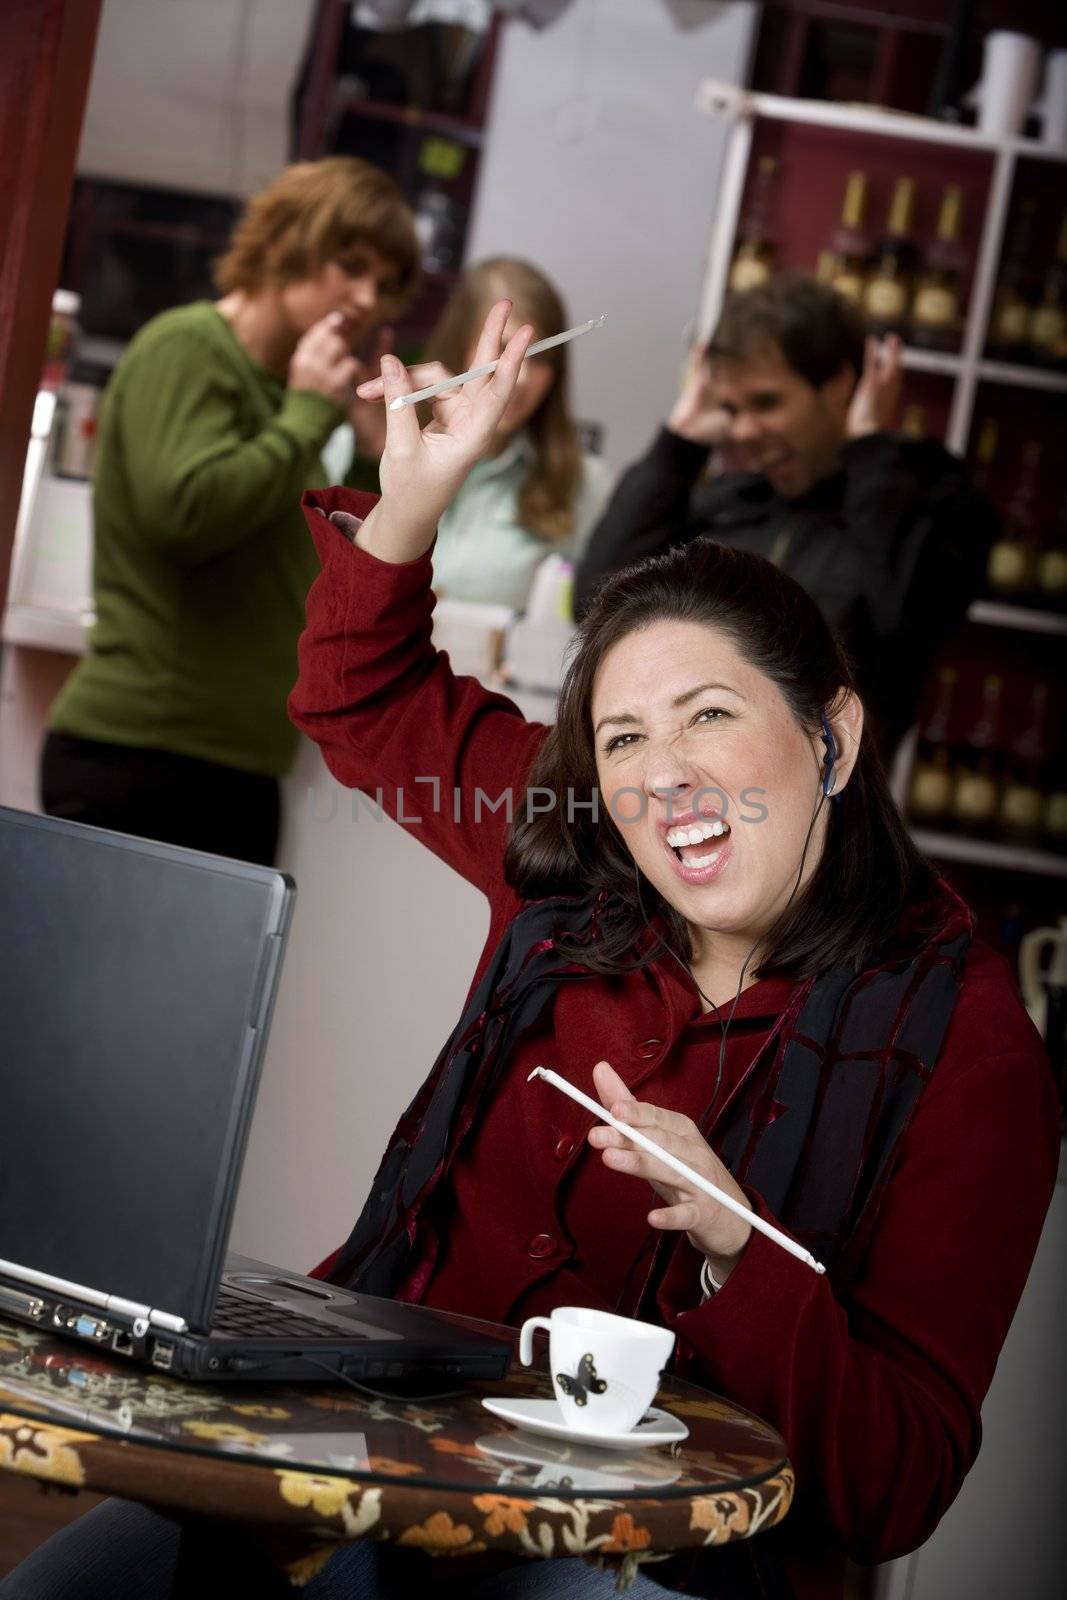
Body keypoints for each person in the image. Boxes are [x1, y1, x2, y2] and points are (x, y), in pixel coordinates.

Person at [6, 305, 1057, 1600]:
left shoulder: (964, 1040)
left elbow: (895, 1484)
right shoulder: (570, 851)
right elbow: (363, 696)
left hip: (653, 1567)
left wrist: (740, 1245)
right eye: (619, 740)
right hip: (380, 1459)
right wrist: (410, 501)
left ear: (830, 737)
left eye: (708, 716)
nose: (661, 777)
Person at [40, 156, 420, 866]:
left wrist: (375, 457)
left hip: (233, 767)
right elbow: (183, 517)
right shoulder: (190, 350)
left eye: (385, 283)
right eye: (350, 264)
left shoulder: (288, 395)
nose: (367, 298)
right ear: (286, 239)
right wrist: (308, 411)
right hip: (141, 757)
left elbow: (351, 576)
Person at [573, 274, 998, 758]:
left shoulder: (928, 501)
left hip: (829, 814)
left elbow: (906, 624)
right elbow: (593, 604)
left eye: (767, 402)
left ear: (839, 385)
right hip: (684, 786)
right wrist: (680, 442)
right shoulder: (733, 498)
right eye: (733, 407)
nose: (745, 430)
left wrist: (870, 452)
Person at [357, 256, 611, 612]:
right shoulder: (368, 451)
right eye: (502, 351)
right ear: (459, 343)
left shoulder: (585, 483)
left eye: (540, 358)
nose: (519, 378)